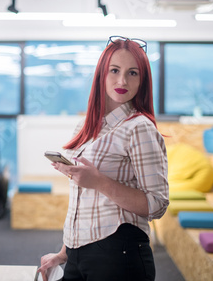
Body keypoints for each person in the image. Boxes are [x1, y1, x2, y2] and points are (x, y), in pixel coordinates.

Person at [37, 36, 169, 281]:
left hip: (119, 253)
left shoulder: (139, 128)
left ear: (143, 80)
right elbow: (84, 199)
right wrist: (65, 253)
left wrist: (99, 181)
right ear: (101, 74)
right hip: (79, 254)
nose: (122, 81)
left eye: (133, 73)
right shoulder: (85, 127)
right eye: (114, 70)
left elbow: (157, 204)